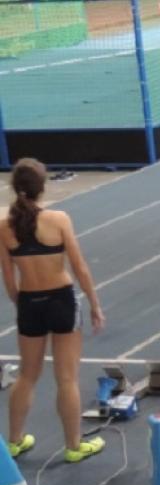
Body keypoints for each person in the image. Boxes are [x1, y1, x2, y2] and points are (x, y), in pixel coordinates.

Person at [0, 158, 106, 463]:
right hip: (61, 301)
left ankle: (14, 442)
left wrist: (24, 305)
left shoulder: (4, 227)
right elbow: (79, 267)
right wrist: (95, 304)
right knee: (67, 378)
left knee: (27, 375)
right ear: (42, 187)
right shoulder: (58, 219)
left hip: (29, 303)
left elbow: (9, 280)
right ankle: (73, 446)